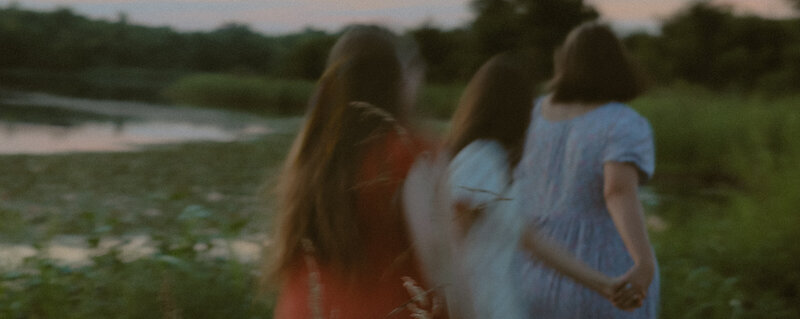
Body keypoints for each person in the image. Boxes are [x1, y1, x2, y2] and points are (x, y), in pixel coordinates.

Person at [403, 53, 637, 319]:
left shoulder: (496, 162)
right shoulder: (482, 159)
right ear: (515, 109)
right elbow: (450, 245)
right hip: (479, 307)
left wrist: (603, 284)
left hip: (501, 305)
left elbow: (532, 241)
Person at [266, 26, 440, 319]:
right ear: (395, 79)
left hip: (303, 308)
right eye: (412, 67)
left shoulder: (312, 150)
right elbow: (440, 257)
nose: (419, 76)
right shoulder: (409, 152)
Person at [513, 22, 659, 318]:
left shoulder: (530, 114)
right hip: (603, 272)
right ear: (618, 65)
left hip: (530, 266)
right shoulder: (623, 122)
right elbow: (617, 191)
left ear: (564, 63)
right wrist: (644, 262)